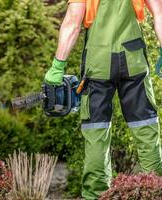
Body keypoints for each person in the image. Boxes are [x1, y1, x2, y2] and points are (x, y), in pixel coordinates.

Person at [44, 0, 162, 199]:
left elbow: (73, 23)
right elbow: (159, 13)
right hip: (133, 58)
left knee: (96, 132)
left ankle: (96, 196)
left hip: (97, 62)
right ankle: (155, 191)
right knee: (146, 128)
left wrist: (58, 66)